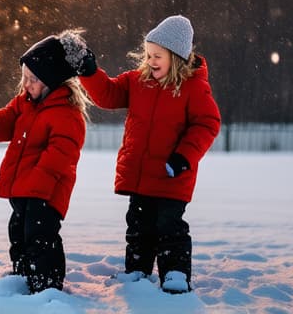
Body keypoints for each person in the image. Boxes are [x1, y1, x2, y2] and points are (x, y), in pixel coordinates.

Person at [76, 15, 220, 294]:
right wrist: (90, 71)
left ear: (177, 57)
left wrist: (184, 157)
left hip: (171, 175)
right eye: (148, 54)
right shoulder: (137, 81)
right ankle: (137, 271)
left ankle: (175, 273)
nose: (151, 60)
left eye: (158, 56)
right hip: (141, 175)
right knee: (139, 227)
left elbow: (208, 123)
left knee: (170, 227)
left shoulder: (193, 88)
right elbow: (107, 95)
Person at [0, 30, 92, 294]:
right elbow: (4, 119)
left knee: (40, 237)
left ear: (52, 80)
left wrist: (36, 187)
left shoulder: (67, 115)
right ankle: (22, 277)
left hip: (47, 192)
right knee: (18, 234)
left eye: (33, 79)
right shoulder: (25, 104)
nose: (26, 84)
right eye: (24, 78)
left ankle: (46, 285)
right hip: (23, 189)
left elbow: (60, 156)